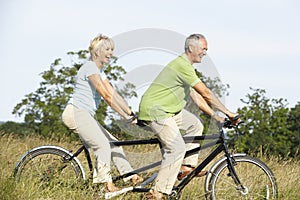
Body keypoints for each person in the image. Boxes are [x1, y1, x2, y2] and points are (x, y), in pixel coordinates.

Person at [138, 33, 240, 199]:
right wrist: (229, 113)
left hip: (169, 110)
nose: (205, 53)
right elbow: (205, 93)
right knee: (176, 148)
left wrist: (216, 116)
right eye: (203, 49)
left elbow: (197, 97)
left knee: (195, 125)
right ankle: (157, 193)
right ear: (191, 48)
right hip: (155, 111)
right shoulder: (182, 65)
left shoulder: (186, 68)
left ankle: (186, 167)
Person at [62, 34, 143, 192]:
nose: (111, 53)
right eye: (107, 49)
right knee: (103, 145)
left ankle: (131, 177)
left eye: (112, 49)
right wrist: (125, 117)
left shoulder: (99, 72)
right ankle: (105, 185)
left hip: (85, 115)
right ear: (97, 51)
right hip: (77, 113)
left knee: (115, 144)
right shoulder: (90, 68)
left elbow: (113, 94)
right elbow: (106, 96)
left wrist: (130, 112)